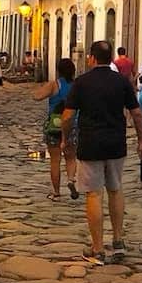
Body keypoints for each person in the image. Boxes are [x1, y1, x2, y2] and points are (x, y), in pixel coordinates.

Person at [61, 40, 142, 265]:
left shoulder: (81, 83)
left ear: (91, 58)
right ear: (111, 59)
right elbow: (137, 113)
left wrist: (65, 139)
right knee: (116, 190)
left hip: (90, 144)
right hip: (116, 143)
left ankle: (98, 248)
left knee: (94, 194)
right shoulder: (121, 82)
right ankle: (118, 240)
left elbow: (68, 116)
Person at [35, 58, 79, 200]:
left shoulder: (54, 85)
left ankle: (56, 192)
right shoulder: (77, 86)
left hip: (54, 126)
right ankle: (71, 179)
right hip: (72, 124)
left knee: (55, 160)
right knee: (71, 157)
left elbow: (37, 96)